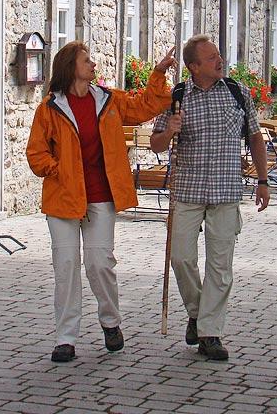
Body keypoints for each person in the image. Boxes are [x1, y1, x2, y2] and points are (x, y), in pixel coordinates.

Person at [27, 41, 177, 363]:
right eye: (87, 61)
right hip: (63, 197)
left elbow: (147, 105)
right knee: (65, 267)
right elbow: (36, 153)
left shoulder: (107, 101)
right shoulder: (49, 109)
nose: (93, 65)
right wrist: (59, 170)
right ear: (71, 68)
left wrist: (159, 73)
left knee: (99, 263)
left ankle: (110, 320)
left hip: (99, 196)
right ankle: (65, 338)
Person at [150, 34, 270, 361]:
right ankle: (197, 311)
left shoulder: (237, 92)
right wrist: (170, 130)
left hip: (226, 190)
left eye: (219, 55)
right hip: (187, 190)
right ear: (193, 66)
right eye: (212, 57)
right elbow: (155, 145)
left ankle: (210, 333)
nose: (220, 61)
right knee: (181, 258)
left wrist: (262, 180)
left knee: (220, 266)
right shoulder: (177, 96)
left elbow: (255, 138)